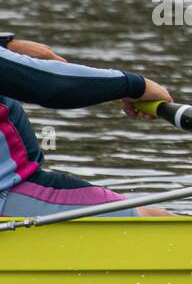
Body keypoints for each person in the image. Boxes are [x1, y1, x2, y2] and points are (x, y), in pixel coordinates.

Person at [0, 34, 173, 217]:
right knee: (154, 218)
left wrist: (6, 46)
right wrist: (136, 86)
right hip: (9, 188)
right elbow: (52, 85)